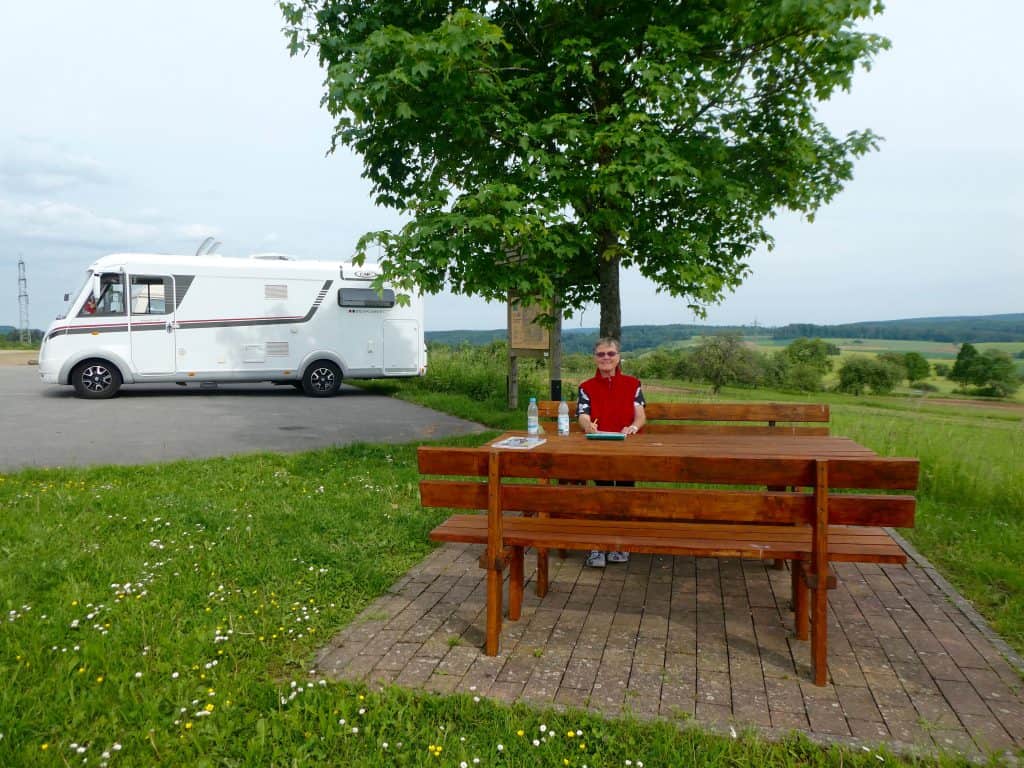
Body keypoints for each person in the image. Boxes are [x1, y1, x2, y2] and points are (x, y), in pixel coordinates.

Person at [577, 337, 647, 568]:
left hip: (628, 446)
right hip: (600, 445)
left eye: (610, 353)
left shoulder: (633, 384)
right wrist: (588, 426)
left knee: (624, 494)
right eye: (601, 354)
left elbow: (640, 415)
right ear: (594, 358)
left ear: (618, 357)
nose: (606, 358)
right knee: (602, 494)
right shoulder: (586, 387)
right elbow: (583, 414)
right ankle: (598, 543)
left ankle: (621, 541)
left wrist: (633, 427)